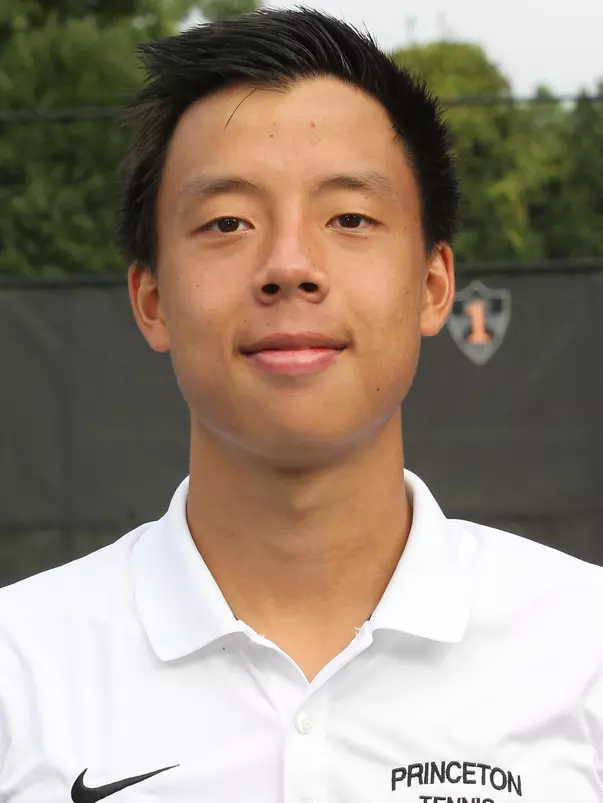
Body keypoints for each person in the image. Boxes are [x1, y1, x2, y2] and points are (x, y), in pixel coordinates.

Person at [1, 7, 602, 802]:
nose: (289, 265)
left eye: (349, 218)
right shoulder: (18, 667)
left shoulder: (582, 648)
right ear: (150, 299)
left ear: (432, 285)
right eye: (227, 222)